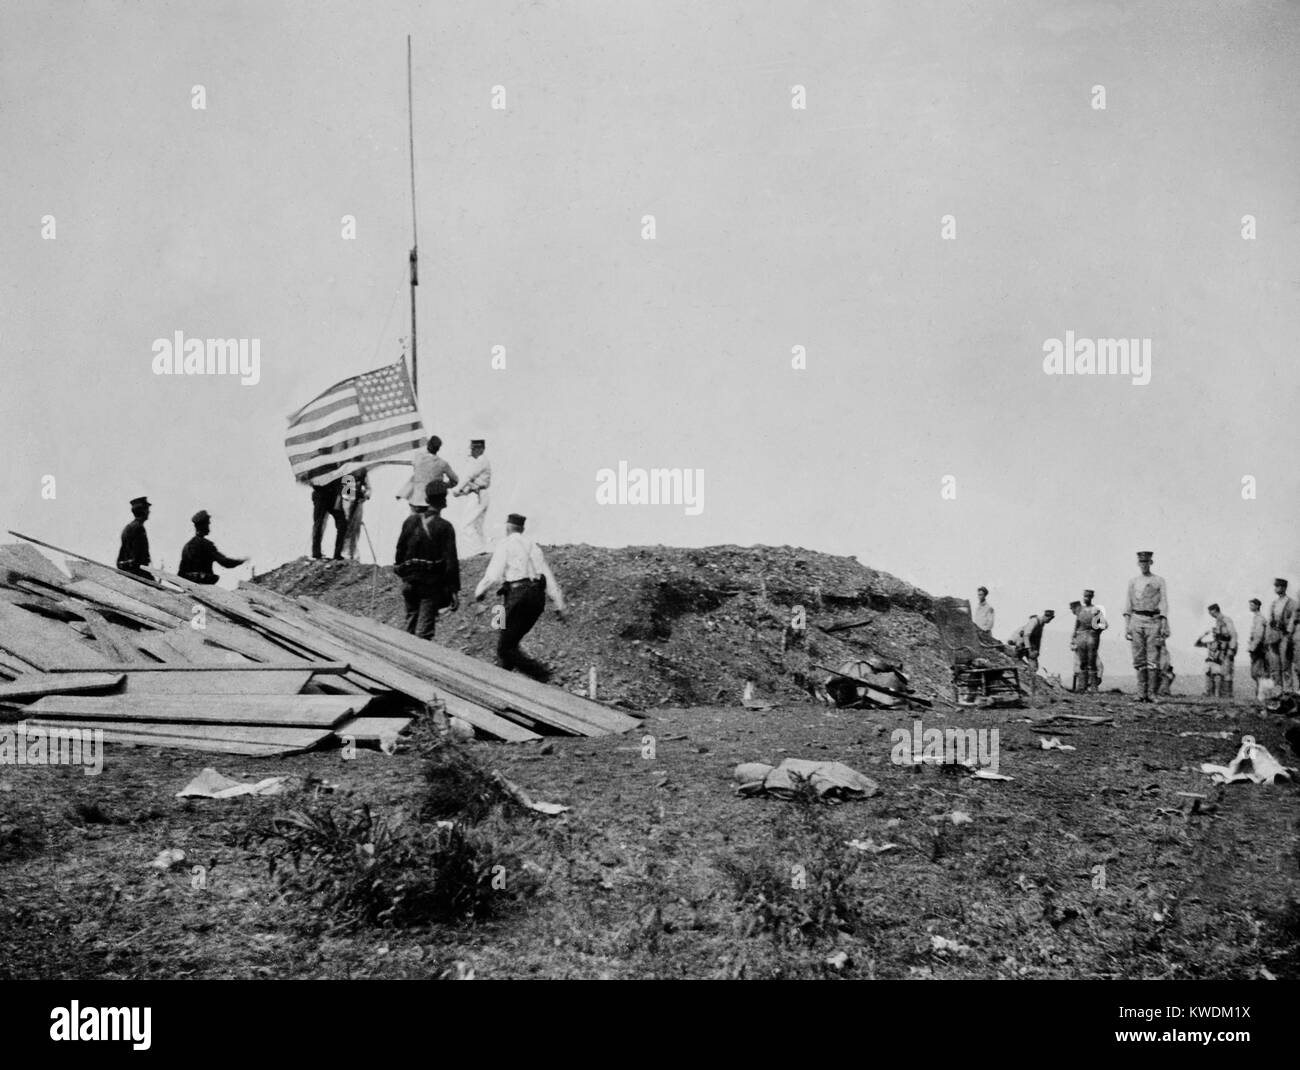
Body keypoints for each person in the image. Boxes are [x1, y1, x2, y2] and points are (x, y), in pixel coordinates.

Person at [473, 512, 565, 681]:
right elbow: (549, 578)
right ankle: (503, 677)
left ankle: (541, 675)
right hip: (537, 598)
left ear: (507, 527)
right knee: (509, 642)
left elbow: (492, 575)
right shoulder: (534, 548)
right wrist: (559, 605)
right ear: (522, 529)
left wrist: (479, 593)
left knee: (504, 647)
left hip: (518, 596)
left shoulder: (505, 544)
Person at [393, 484, 460, 640]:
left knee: (410, 624)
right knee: (424, 634)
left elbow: (399, 551)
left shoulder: (410, 521)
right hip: (429, 585)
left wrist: (403, 573)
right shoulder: (445, 527)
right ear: (444, 501)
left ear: (427, 499)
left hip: (409, 583)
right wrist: (453, 590)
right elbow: (451, 561)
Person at [1124, 550, 1168, 703]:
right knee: (1139, 657)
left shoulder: (1159, 581)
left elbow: (1163, 603)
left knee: (1153, 658)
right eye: (1141, 562)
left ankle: (1152, 693)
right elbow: (1128, 604)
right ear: (1138, 563)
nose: (1144, 565)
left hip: (1153, 620)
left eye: (1146, 562)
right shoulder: (1133, 581)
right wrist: (1127, 625)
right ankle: (1141, 693)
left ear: (1151, 562)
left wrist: (1163, 623)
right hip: (1136, 619)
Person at [178, 510, 248, 585]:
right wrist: (242, 561)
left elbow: (181, 572)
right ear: (203, 525)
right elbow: (225, 562)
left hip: (189, 588)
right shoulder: (207, 545)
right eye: (208, 523)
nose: (209, 525)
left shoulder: (187, 546)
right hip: (205, 588)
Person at [397, 435, 458, 512]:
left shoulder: (418, 459)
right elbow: (455, 480)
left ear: (428, 445)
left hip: (416, 502)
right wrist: (442, 485)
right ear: (438, 449)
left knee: (413, 522)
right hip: (432, 503)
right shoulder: (443, 464)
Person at [453, 438, 492, 556]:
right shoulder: (481, 460)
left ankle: (478, 551)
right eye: (472, 448)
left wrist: (456, 489)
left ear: (481, 449)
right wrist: (462, 491)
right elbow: (471, 482)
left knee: (466, 525)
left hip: (478, 495)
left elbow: (468, 477)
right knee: (477, 526)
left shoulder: (480, 460)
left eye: (475, 448)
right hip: (479, 494)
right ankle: (482, 551)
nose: (472, 451)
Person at [1195, 603, 1238, 698]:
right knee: (1222, 672)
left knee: (1227, 672)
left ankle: (1227, 695)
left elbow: (1233, 635)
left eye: (1210, 612)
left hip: (1227, 649)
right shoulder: (1218, 621)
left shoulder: (1226, 620)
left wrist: (1231, 648)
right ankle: (1221, 695)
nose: (1210, 614)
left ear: (1214, 610)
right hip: (1221, 650)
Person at [1266, 578, 1296, 691]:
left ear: (1284, 587)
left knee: (1285, 666)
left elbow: (1294, 620)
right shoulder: (1274, 603)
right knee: (1275, 667)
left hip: (1285, 636)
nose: (1276, 589)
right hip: (1274, 637)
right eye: (1275, 586)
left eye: (1278, 586)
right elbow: (1270, 621)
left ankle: (1288, 692)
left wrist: (1288, 633)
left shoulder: (1292, 603)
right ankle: (1278, 692)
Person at [1074, 589, 1104, 693]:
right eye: (1085, 596)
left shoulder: (1095, 610)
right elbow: (1076, 625)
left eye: (1088, 597)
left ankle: (1094, 687)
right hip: (1081, 636)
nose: (1086, 598)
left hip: (1091, 637)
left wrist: (1095, 634)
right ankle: (1082, 687)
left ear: (1091, 597)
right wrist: (1074, 638)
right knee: (1082, 662)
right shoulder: (1080, 610)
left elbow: (1102, 625)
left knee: (1092, 662)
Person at [1008, 610, 1054, 676]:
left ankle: (1029, 676)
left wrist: (1036, 651)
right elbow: (1026, 635)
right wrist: (1029, 650)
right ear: (1046, 617)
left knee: (1034, 667)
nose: (1049, 621)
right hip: (1022, 642)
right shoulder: (1034, 621)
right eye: (1049, 619)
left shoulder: (1041, 624)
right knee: (1016, 659)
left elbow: (1038, 639)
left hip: (1031, 644)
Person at [310, 477, 347, 561]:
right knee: (318, 524)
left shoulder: (338, 466)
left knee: (342, 524)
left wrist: (339, 497)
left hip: (333, 496)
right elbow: (312, 482)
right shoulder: (317, 469)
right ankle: (316, 553)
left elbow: (344, 483)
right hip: (321, 495)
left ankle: (337, 554)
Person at [117, 496, 153, 578]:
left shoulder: (128, 527)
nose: (149, 512)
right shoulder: (138, 528)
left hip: (129, 572)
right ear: (143, 511)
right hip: (137, 573)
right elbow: (138, 558)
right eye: (147, 509)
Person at [339, 469, 370, 560]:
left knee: (356, 528)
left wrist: (366, 495)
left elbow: (368, 487)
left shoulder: (363, 470)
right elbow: (347, 494)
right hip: (348, 501)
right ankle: (345, 552)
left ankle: (353, 552)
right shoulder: (347, 469)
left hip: (358, 502)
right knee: (347, 527)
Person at [1247, 597, 1268, 698]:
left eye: (1252, 605)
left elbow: (1259, 635)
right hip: (1256, 648)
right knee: (1256, 673)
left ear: (1257, 606)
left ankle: (1261, 695)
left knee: (1257, 672)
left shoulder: (1259, 618)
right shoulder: (1256, 617)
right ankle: (1259, 695)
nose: (1250, 607)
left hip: (1258, 648)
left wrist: (1252, 647)